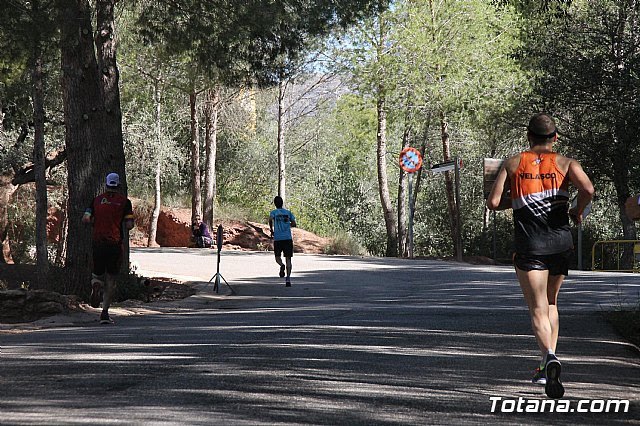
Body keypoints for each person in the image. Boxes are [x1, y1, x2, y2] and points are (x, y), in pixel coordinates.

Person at [487, 113, 594, 399]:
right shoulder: (566, 163)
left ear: (528, 136)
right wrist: (577, 210)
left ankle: (548, 356)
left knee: (536, 308)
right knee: (550, 302)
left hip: (529, 245)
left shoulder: (513, 163)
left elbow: (494, 202)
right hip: (560, 244)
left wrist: (520, 200)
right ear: (555, 138)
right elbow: (588, 189)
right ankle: (550, 358)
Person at [82, 172, 135, 325]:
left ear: (106, 184)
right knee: (111, 278)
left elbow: (85, 218)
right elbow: (129, 224)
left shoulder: (96, 201)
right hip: (115, 245)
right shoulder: (125, 202)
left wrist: (96, 221)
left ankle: (96, 285)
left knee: (96, 274)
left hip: (98, 242)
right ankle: (104, 313)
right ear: (118, 185)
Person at [269, 196, 296, 287]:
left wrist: (271, 229)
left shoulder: (274, 213)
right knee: (288, 258)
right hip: (287, 238)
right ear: (282, 203)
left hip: (278, 238)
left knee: (277, 257)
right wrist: (287, 225)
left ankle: (281, 265)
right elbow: (294, 223)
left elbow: (270, 220)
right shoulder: (288, 213)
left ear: (275, 204)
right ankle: (288, 279)